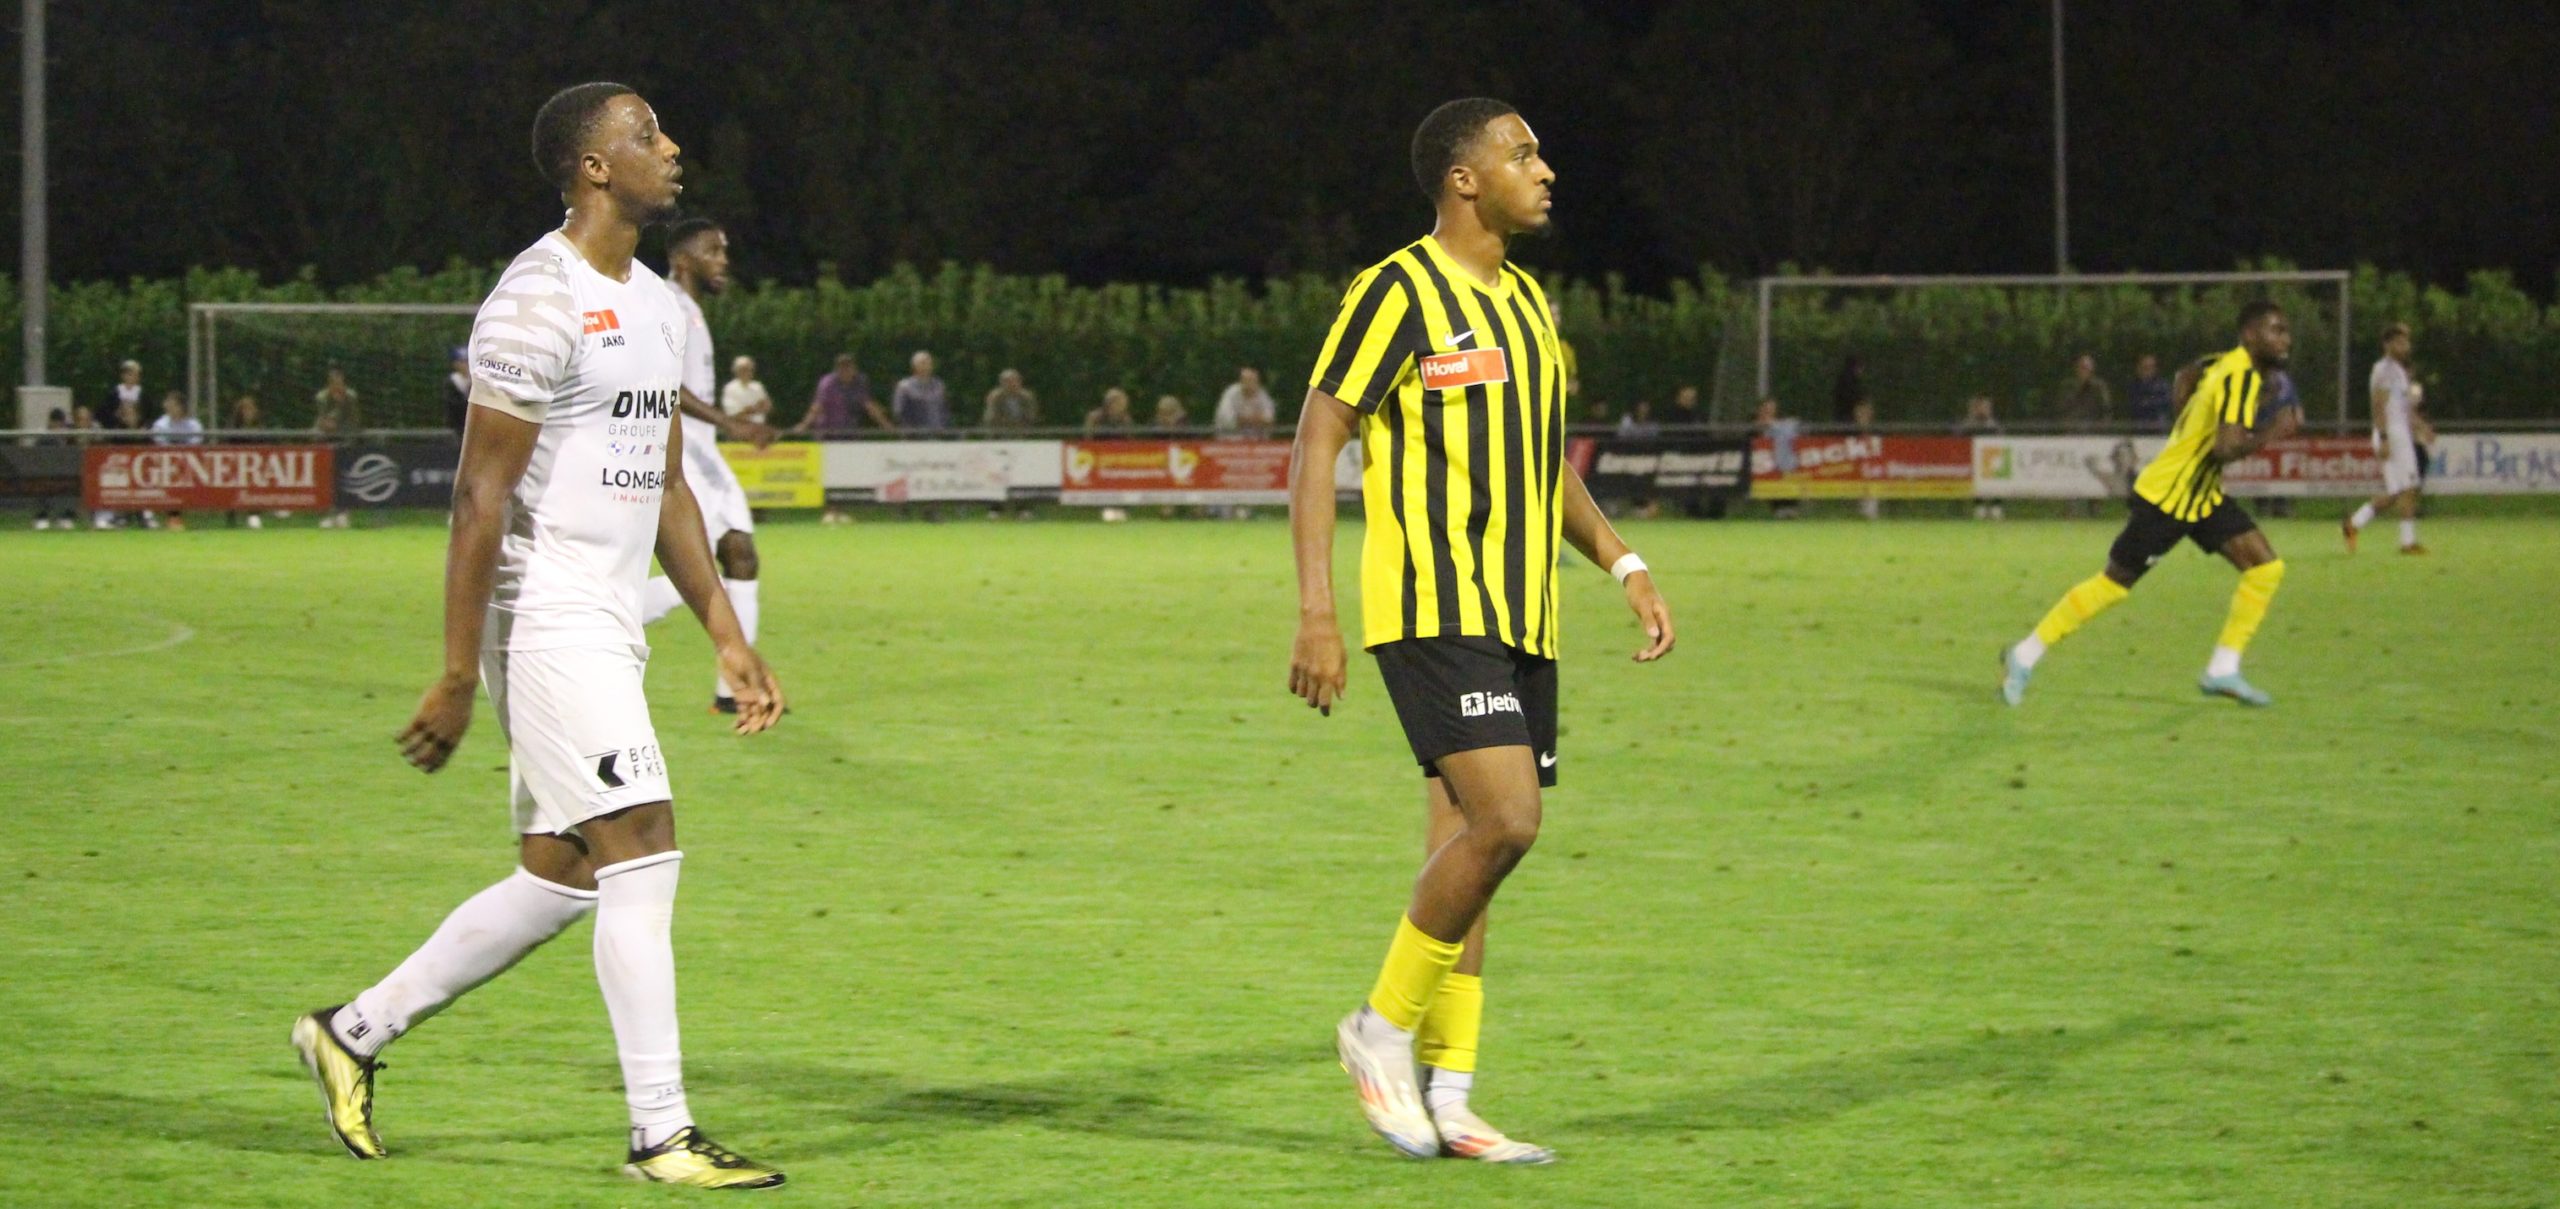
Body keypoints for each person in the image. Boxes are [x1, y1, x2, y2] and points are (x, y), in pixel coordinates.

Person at [287, 81, 787, 1190]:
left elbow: (665, 485)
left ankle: (350, 1032)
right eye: (647, 133)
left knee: (562, 872)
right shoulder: (534, 299)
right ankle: (661, 1132)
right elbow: (478, 496)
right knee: (643, 840)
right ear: (594, 167)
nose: (672, 146)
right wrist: (458, 670)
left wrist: (725, 631)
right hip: (545, 615)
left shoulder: (659, 308)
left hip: (607, 617)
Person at [1288, 97, 1675, 1167]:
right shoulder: (1394, 292)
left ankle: (1451, 1096)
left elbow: (1545, 467)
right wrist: (1317, 610)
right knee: (1508, 820)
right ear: (1464, 180)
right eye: (1522, 153)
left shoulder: (1532, 309)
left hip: (1521, 614)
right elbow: (1317, 441)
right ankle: (1378, 1030)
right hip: (1431, 604)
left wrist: (1624, 563)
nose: (1544, 170)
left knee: (1470, 849)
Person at [2000, 301, 2300, 709]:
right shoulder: (2241, 376)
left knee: (2265, 568)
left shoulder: (2220, 362)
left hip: (2201, 497)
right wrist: (2272, 432)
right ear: (2250, 335)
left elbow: (2183, 376)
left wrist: (2184, 426)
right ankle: (2024, 654)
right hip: (2169, 498)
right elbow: (2226, 447)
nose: (2285, 339)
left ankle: (2223, 668)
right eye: (2275, 330)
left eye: (2285, 331)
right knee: (2113, 584)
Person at [634, 217, 776, 715]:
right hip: (681, 452)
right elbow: (666, 384)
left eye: (724, 250)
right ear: (683, 260)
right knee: (704, 568)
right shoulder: (669, 304)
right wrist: (730, 423)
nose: (724, 261)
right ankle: (600, 615)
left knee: (740, 554)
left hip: (703, 450)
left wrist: (728, 426)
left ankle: (733, 690)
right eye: (713, 251)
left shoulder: (690, 309)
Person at [2344, 322, 2432, 555]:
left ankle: (2353, 523)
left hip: (2399, 433)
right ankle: (2408, 542)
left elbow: (2405, 409)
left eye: (2407, 341)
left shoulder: (2400, 372)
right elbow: (2378, 405)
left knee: (2396, 493)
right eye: (2400, 342)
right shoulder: (2383, 369)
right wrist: (2383, 437)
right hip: (2392, 435)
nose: (2406, 346)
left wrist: (2422, 427)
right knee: (2410, 487)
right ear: (2387, 344)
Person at [148, 392, 206, 530]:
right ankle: (172, 517)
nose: (168, 407)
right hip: (165, 464)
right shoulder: (161, 424)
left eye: (172, 404)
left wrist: (182, 453)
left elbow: (196, 442)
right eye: (168, 404)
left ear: (181, 407)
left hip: (189, 465)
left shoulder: (193, 425)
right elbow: (159, 442)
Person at [313, 368, 362, 529]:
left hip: (345, 442)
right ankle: (327, 515)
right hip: (325, 442)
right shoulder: (322, 397)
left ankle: (343, 513)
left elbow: (355, 421)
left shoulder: (351, 397)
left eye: (339, 383)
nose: (337, 387)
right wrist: (325, 425)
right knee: (326, 480)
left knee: (344, 479)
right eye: (334, 383)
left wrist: (339, 428)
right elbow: (321, 419)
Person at [794, 352, 886, 436]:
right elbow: (818, 406)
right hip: (827, 433)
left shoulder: (860, 382)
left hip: (850, 432)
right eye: (842, 367)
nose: (845, 370)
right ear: (836, 369)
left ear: (855, 368)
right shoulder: (827, 384)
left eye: (848, 367)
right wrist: (804, 425)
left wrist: (886, 425)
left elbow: (869, 406)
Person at [226, 394, 272, 529]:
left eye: (250, 409)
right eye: (245, 409)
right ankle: (231, 517)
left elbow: (265, 447)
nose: (248, 413)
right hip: (236, 465)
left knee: (256, 485)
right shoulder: (233, 428)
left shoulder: (260, 428)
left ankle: (254, 515)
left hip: (255, 467)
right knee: (232, 488)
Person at [1754, 395, 1801, 519]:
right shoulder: (1755, 423)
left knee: (1788, 478)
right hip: (1763, 461)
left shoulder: (1782, 423)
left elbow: (1792, 430)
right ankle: (1778, 509)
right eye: (1766, 407)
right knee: (1771, 481)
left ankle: (1791, 508)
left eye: (1772, 407)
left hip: (1784, 459)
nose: (1769, 410)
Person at [1958, 395, 2004, 520]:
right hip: (1975, 457)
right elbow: (1960, 437)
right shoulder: (1969, 424)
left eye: (1987, 407)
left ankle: (1996, 507)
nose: (1984, 409)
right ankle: (1980, 507)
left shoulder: (1993, 424)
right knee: (1977, 483)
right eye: (1981, 407)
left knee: (1996, 481)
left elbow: (2001, 438)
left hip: (1991, 456)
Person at [891, 350, 950, 432]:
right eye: (923, 363)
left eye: (929, 363)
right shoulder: (904, 387)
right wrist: (911, 431)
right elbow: (898, 412)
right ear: (914, 366)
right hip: (915, 435)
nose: (927, 366)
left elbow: (944, 408)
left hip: (939, 434)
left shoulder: (939, 385)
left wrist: (944, 426)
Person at [1213, 367, 1276, 439]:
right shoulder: (1230, 393)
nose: (1250, 383)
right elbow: (1228, 421)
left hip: (1256, 441)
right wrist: (1256, 419)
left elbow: (1269, 420)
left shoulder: (1262, 395)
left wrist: (1244, 419)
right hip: (1229, 440)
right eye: (1247, 380)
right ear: (1241, 381)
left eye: (1253, 380)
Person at [2056, 353, 2113, 431]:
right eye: (2081, 367)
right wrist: (2064, 424)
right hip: (2071, 430)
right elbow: (2060, 409)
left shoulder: (2099, 387)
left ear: (2092, 369)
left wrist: (2101, 426)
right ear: (2076, 368)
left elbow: (2106, 409)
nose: (2084, 370)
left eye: (2087, 367)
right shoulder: (2068, 387)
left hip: (2094, 431)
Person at [719, 356, 773, 424]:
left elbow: (768, 407)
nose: (748, 372)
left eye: (751, 369)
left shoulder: (758, 386)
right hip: (739, 427)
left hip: (759, 426)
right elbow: (733, 414)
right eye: (744, 369)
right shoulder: (730, 388)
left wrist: (750, 409)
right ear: (736, 371)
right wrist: (755, 408)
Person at [2126, 354, 2172, 431]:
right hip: (2138, 425)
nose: (2147, 371)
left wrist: (2149, 403)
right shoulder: (2133, 385)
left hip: (2158, 425)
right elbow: (2132, 403)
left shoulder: (2162, 385)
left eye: (2150, 367)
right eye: (2144, 367)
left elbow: (2166, 402)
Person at [1830, 354, 1868, 425]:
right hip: (1846, 414)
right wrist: (1861, 399)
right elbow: (1850, 395)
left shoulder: (1843, 378)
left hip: (1842, 412)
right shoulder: (1850, 380)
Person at [444, 349, 472, 435]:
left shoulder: (475, 380)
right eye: (461, 362)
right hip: (457, 425)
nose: (465, 365)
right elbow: (451, 403)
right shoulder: (452, 381)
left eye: (467, 361)